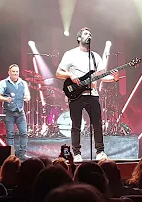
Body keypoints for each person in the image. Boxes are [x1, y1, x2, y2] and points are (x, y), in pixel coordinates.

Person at [56, 27, 119, 162]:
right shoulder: (70, 54)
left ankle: (100, 151)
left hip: (92, 94)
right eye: (85, 33)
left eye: (90, 34)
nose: (88, 35)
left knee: (97, 124)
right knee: (76, 125)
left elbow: (101, 76)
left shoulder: (95, 57)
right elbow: (58, 73)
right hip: (76, 94)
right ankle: (76, 153)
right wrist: (70, 75)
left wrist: (114, 78)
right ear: (79, 38)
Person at [0, 64, 30, 160]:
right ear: (9, 72)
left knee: (24, 133)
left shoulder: (23, 83)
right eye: (13, 72)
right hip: (9, 112)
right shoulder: (4, 83)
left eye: (17, 72)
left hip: (20, 111)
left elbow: (27, 95)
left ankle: (22, 154)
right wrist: (6, 99)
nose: (15, 73)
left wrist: (27, 98)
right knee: (10, 134)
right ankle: (11, 155)